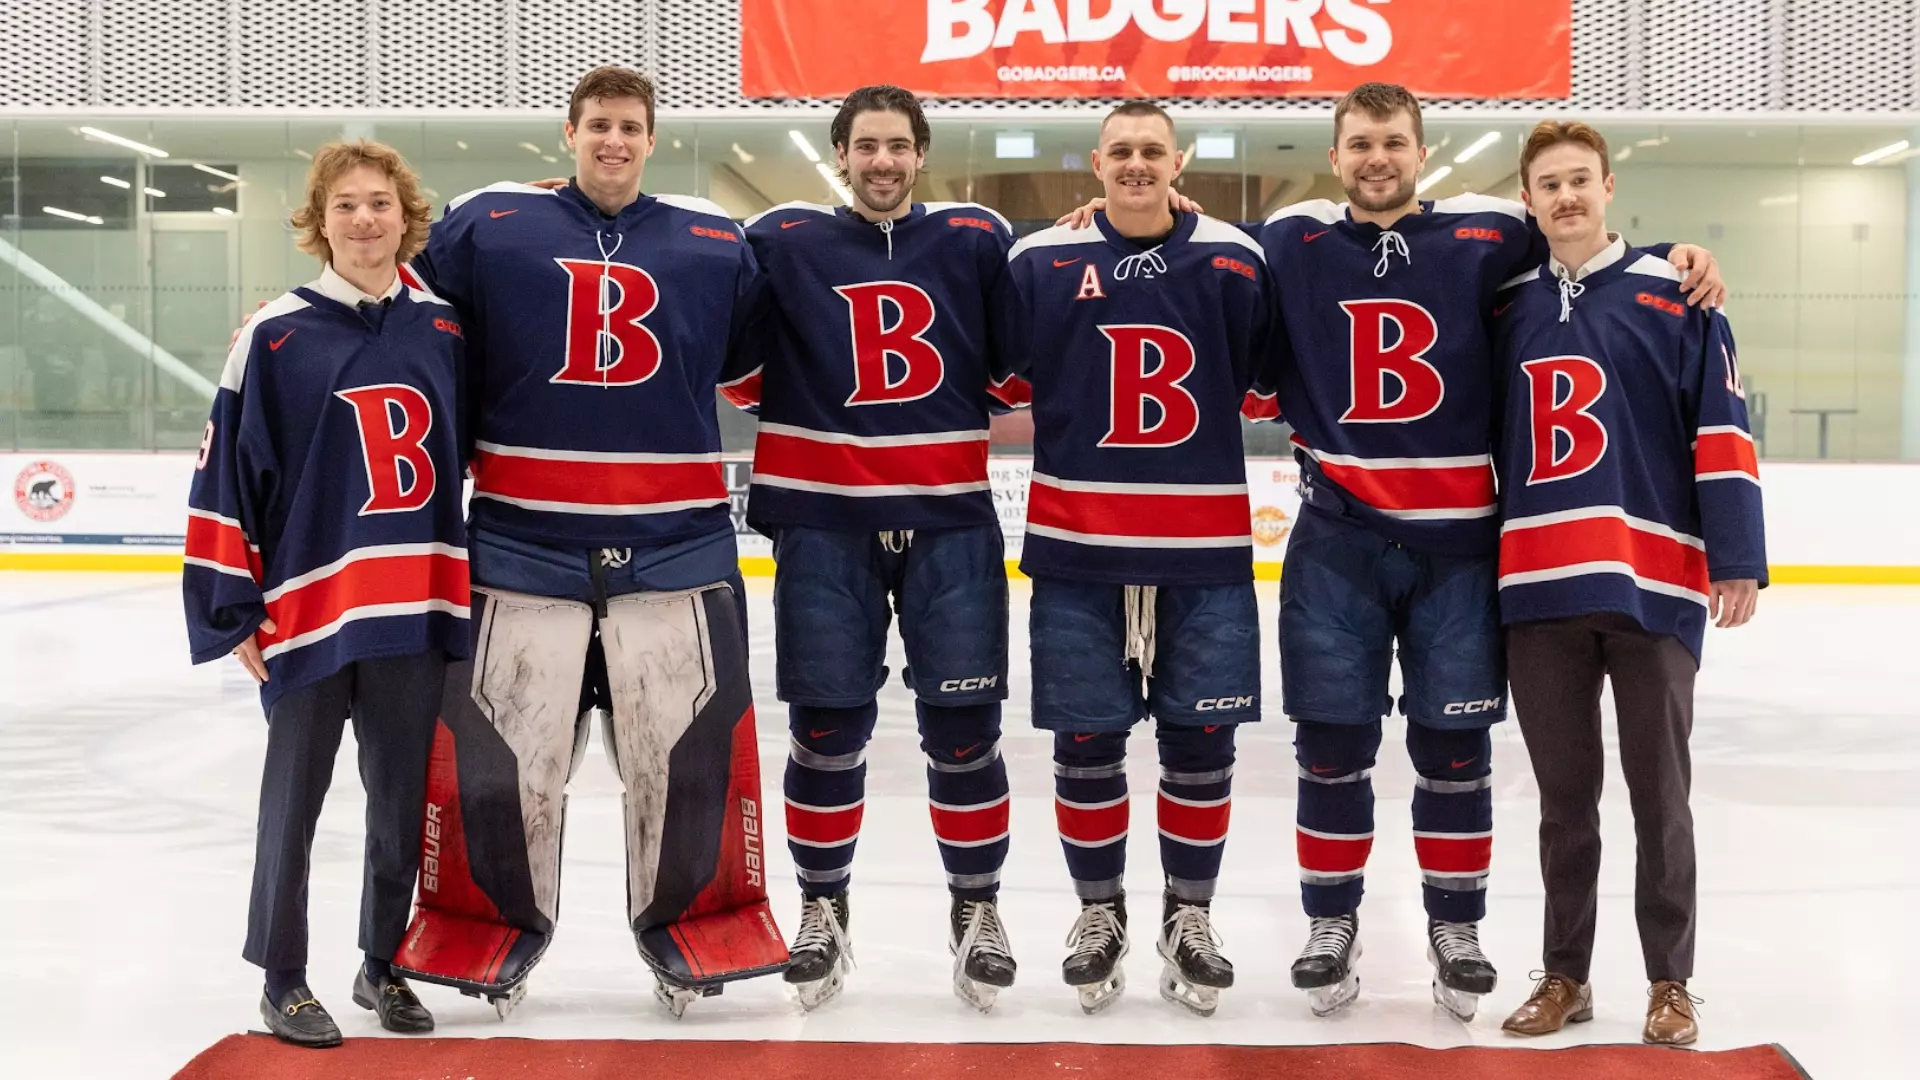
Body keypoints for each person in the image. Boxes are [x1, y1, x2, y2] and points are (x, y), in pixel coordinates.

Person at [1244, 83, 1725, 1021]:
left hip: (1462, 551)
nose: (1376, 157)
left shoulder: (1491, 234)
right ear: (1335, 155)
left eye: (1393, 141)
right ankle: (1330, 921)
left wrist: (1677, 255)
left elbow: (1588, 250)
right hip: (1339, 542)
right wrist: (1120, 206)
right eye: (1358, 143)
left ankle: (1455, 928)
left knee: (1456, 750)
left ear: (1421, 152)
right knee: (1333, 746)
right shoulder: (1290, 237)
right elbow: (1186, 241)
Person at [387, 65, 784, 1018]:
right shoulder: (488, 224)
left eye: (631, 126)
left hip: (677, 540)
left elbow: (748, 356)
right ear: (568, 132)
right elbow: (402, 314)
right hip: (523, 538)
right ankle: (485, 926)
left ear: (652, 139)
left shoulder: (714, 241)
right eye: (599, 124)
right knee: (502, 753)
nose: (614, 140)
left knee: (686, 752)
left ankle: (696, 921)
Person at [729, 85, 1024, 1011]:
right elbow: (738, 373)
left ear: (921, 153)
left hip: (950, 525)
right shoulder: (781, 241)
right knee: (824, 735)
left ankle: (976, 910)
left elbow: (1014, 371)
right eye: (866, 146)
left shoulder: (977, 239)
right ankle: (824, 908)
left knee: (966, 736)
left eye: (899, 145)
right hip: (824, 526)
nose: (883, 161)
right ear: (840, 155)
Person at [182, 140, 468, 1047]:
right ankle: (282, 976)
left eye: (379, 203)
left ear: (404, 217)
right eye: (344, 204)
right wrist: (231, 609)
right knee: (292, 802)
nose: (364, 220)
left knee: (399, 802)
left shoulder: (447, 330)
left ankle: (383, 964)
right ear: (319, 221)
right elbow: (224, 473)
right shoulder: (273, 334)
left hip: (414, 610)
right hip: (307, 610)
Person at [1491, 121, 1764, 1047]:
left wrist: (1735, 555)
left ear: (1607, 186)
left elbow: (1721, 431)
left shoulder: (1677, 294)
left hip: (1653, 586)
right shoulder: (1504, 306)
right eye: (1548, 185)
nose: (1565, 197)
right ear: (1527, 201)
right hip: (1538, 587)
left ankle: (1670, 980)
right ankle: (1565, 973)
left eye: (1579, 180)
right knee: (1565, 802)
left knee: (1660, 795)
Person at [1003, 101, 1273, 1018]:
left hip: (1203, 551)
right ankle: (1099, 912)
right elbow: (1004, 378)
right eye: (1120, 151)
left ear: (1178, 159)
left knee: (1202, 745)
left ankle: (1189, 914)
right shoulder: (1040, 261)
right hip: (1078, 548)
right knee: (1086, 745)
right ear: (1095, 163)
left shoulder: (1236, 260)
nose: (1136, 164)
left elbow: (1263, 383)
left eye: (1152, 150)